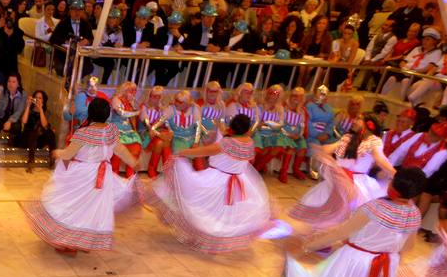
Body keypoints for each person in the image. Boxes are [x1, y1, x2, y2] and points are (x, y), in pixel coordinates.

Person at [285, 167, 426, 277]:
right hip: (387, 265)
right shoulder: (414, 213)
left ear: (394, 183)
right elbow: (407, 247)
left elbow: (340, 233)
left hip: (357, 261)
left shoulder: (375, 208)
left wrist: (306, 246)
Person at [142, 114, 273, 254]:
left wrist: (181, 153)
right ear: (247, 129)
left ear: (232, 127)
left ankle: (210, 234)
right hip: (239, 181)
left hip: (219, 179)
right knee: (227, 212)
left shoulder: (227, 143)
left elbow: (202, 152)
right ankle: (224, 235)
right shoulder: (249, 142)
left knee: (201, 207)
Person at [23, 98, 140, 254]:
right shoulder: (111, 131)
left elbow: (68, 154)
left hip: (83, 176)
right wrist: (133, 162)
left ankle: (71, 243)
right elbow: (121, 150)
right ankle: (83, 241)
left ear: (89, 113)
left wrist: (57, 153)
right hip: (103, 178)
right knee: (91, 209)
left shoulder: (84, 133)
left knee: (73, 207)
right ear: (107, 115)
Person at [291, 114, 397, 230]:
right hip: (338, 178)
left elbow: (380, 159)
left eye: (358, 119)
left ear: (368, 124)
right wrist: (320, 150)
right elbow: (331, 148)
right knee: (326, 208)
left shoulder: (374, 141)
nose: (354, 121)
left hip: (355, 183)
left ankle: (332, 236)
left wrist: (395, 174)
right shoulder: (348, 137)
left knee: (346, 213)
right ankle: (322, 235)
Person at [16, 89, 57, 171]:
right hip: (27, 138)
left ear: (43, 100)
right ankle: (31, 160)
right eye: (36, 97)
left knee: (50, 132)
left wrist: (41, 110)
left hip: (39, 140)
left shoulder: (46, 112)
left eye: (40, 98)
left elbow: (45, 125)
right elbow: (23, 122)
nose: (38, 100)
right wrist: (28, 106)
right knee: (34, 132)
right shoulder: (29, 110)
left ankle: (52, 158)